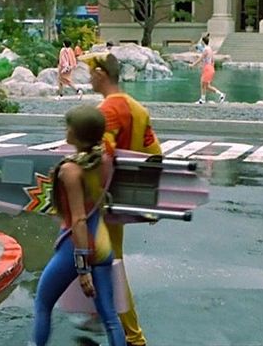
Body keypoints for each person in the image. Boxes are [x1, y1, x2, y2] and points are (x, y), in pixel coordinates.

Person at [31, 105, 125, 346]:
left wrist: (82, 269)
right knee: (110, 316)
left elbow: (79, 219)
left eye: (69, 126)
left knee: (42, 303)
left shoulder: (71, 170)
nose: (66, 130)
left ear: (77, 133)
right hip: (103, 243)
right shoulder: (104, 160)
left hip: (77, 245)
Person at [85, 52, 160, 346]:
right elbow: (155, 154)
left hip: (105, 201)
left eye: (90, 72)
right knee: (105, 258)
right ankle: (99, 312)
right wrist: (149, 201)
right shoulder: (137, 108)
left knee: (112, 262)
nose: (88, 77)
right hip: (126, 197)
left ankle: (133, 336)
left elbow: (104, 157)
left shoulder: (107, 111)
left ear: (102, 74)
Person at [190, 35, 227, 104]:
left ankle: (203, 100)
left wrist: (193, 65)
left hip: (208, 68)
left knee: (203, 84)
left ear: (203, 42)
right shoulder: (210, 49)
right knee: (205, 85)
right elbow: (212, 60)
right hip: (209, 68)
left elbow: (201, 58)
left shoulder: (206, 50)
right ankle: (220, 95)